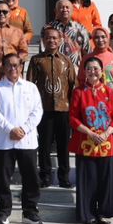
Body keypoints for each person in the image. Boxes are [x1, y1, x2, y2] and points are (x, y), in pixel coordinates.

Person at [0, 52, 44, 224]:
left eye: (17, 65)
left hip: (27, 140)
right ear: (3, 67)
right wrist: (10, 129)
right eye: (9, 65)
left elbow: (37, 111)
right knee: (3, 178)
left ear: (21, 67)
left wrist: (24, 129)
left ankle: (30, 211)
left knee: (31, 177)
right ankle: (3, 212)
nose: (13, 68)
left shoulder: (30, 87)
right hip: (4, 141)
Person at [70, 56, 113, 224]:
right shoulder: (79, 92)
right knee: (87, 179)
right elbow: (73, 118)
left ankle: (104, 213)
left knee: (106, 180)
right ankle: (87, 213)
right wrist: (90, 133)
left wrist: (106, 133)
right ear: (84, 72)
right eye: (89, 68)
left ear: (101, 72)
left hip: (107, 143)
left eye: (96, 69)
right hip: (86, 142)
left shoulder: (109, 91)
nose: (93, 72)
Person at [27, 25, 78, 188]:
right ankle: (45, 176)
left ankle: (64, 177)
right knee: (45, 145)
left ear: (60, 40)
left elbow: (73, 85)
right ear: (43, 40)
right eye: (48, 37)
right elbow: (29, 86)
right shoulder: (36, 60)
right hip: (44, 109)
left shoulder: (66, 60)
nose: (52, 40)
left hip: (64, 109)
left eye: (55, 38)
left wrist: (73, 110)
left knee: (63, 146)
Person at [50, 0, 90, 70]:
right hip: (54, 68)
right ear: (55, 11)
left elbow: (86, 51)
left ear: (72, 11)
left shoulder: (81, 29)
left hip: (76, 68)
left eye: (67, 7)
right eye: (61, 7)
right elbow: (43, 50)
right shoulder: (48, 29)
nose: (65, 9)